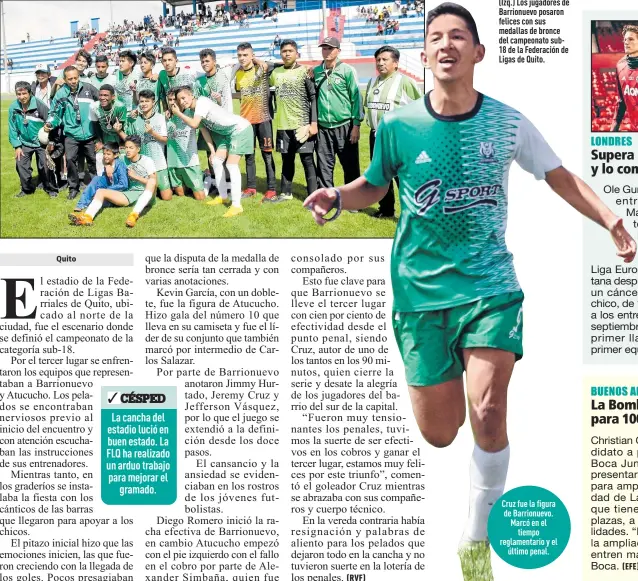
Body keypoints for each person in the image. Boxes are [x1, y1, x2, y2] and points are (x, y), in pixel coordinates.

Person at [305, 3, 637, 579]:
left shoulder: (508, 122)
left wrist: (610, 218)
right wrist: (337, 196)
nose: (446, 45)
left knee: (487, 408)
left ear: (478, 52)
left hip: (491, 289)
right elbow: (372, 186)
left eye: (459, 36)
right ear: (426, 54)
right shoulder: (399, 126)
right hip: (419, 296)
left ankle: (476, 537)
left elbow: (559, 175)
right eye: (436, 37)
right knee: (439, 434)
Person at [173, 85, 254, 217]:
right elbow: (203, 131)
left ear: (191, 95)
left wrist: (178, 113)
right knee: (216, 161)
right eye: (179, 100)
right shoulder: (193, 111)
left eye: (183, 98)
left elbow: (194, 124)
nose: (182, 101)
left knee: (231, 165)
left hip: (239, 129)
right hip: (226, 135)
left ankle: (236, 205)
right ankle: (222, 196)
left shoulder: (202, 102)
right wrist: (212, 151)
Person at [364, 45, 421, 218]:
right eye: (378, 60)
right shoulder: (372, 82)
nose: (380, 63)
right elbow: (369, 107)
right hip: (376, 136)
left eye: (385, 60)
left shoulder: (404, 82)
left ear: (395, 63)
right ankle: (386, 210)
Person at [70, 135, 157, 227]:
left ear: (138, 149)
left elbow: (154, 183)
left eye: (131, 148)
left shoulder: (147, 161)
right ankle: (87, 217)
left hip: (146, 193)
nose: (127, 150)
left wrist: (136, 177)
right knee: (100, 191)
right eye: (126, 147)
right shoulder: (124, 157)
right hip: (129, 193)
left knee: (152, 181)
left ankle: (134, 215)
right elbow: (108, 157)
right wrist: (108, 166)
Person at [269, 39, 318, 201]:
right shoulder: (275, 73)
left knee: (307, 160)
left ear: (297, 53)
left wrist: (313, 123)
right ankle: (286, 192)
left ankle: (313, 195)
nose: (287, 54)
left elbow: (313, 98)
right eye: (284, 51)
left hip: (302, 125)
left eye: (290, 51)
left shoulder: (305, 71)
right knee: (286, 160)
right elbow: (268, 67)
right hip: (283, 126)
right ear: (280, 54)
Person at [313, 37, 362, 190]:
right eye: (324, 48)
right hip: (323, 127)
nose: (326, 51)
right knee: (324, 166)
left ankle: (353, 199)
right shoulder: (316, 71)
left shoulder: (347, 70)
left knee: (350, 165)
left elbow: (356, 98)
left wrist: (356, 125)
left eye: (330, 48)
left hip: (344, 125)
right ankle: (328, 197)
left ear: (338, 51)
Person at [45, 66, 100, 200]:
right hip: (71, 134)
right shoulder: (61, 94)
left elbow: (102, 102)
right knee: (70, 161)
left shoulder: (88, 88)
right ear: (65, 79)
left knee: (93, 161)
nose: (73, 81)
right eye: (70, 79)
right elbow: (54, 113)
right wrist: (50, 123)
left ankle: (96, 187)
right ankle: (73, 188)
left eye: (75, 78)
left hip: (89, 133)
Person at [233, 42, 277, 201]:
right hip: (246, 122)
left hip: (263, 119)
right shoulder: (237, 74)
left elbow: (270, 65)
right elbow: (240, 93)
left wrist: (257, 60)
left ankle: (271, 188)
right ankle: (251, 187)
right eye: (240, 55)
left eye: (245, 55)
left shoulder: (262, 69)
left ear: (252, 55)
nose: (242, 58)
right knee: (249, 156)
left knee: (267, 155)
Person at [117, 89, 171, 200]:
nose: (144, 104)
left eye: (147, 101)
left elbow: (166, 140)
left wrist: (152, 132)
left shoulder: (160, 118)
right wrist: (119, 131)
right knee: (148, 196)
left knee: (167, 197)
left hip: (159, 163)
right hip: (143, 166)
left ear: (153, 102)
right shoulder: (135, 120)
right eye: (141, 101)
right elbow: (130, 141)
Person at [9, 81, 57, 198]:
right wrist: (17, 146)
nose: (21, 97)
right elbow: (12, 128)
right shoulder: (13, 107)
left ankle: (51, 189)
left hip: (41, 143)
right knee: (21, 165)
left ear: (30, 93)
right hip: (24, 142)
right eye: (19, 94)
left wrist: (50, 141)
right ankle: (27, 190)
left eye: (24, 93)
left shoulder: (40, 105)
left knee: (45, 167)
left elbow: (52, 120)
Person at [163, 88, 206, 201]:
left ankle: (206, 177)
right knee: (181, 194)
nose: (172, 102)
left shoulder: (191, 112)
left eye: (174, 99)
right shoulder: (165, 116)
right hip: (174, 163)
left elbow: (200, 127)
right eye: (170, 99)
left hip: (190, 162)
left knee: (200, 197)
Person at [73, 142, 128, 212]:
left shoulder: (120, 165)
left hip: (118, 192)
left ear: (116, 155)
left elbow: (124, 185)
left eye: (108, 154)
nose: (105, 156)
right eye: (104, 154)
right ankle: (81, 205)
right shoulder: (108, 163)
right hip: (108, 187)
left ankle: (96, 201)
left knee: (98, 199)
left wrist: (107, 189)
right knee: (96, 179)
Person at [89, 84, 128, 174]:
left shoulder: (120, 107)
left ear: (113, 97)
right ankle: (101, 181)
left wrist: (122, 144)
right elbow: (95, 125)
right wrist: (99, 142)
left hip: (117, 136)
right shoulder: (93, 107)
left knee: (119, 159)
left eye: (106, 95)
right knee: (100, 157)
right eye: (101, 95)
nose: (102, 98)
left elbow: (121, 127)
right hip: (104, 135)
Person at [613, 24, 638, 132]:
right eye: (625, 40)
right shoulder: (620, 65)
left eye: (631, 39)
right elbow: (621, 101)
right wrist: (613, 129)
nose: (626, 42)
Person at [158, 47, 197, 113]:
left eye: (170, 60)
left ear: (176, 61)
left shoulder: (186, 74)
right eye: (164, 60)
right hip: (174, 115)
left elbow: (195, 95)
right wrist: (166, 110)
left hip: (189, 114)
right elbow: (163, 96)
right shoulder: (162, 75)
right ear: (162, 62)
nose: (167, 63)